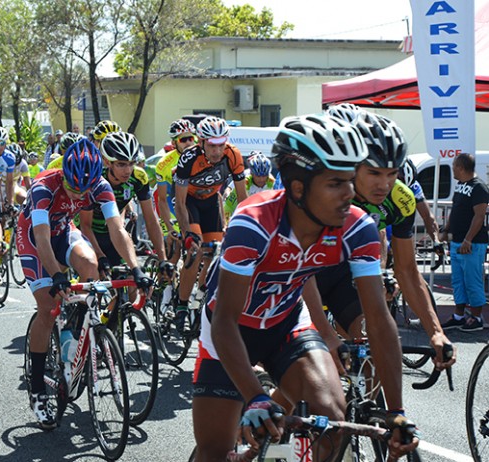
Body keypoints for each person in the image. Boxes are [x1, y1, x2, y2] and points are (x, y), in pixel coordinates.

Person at [192, 114, 418, 461]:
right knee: (214, 452)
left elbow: (378, 318)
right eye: (335, 184)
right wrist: (256, 397)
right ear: (298, 188)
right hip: (229, 330)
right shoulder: (253, 223)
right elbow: (225, 320)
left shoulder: (356, 228)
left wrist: (397, 412)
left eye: (349, 181)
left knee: (331, 418)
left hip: (286, 323)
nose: (350, 194)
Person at [16, 138, 152, 429]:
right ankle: (38, 386)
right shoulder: (44, 187)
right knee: (48, 306)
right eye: (73, 187)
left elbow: (117, 230)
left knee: (91, 267)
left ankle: (73, 330)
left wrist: (135, 268)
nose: (78, 192)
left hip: (64, 230)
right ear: (63, 173)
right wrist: (57, 275)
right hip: (33, 238)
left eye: (84, 188)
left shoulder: (100, 187)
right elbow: (41, 239)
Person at [322, 109, 455, 368]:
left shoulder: (401, 199)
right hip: (309, 268)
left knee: (368, 347)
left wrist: (436, 331)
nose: (384, 184)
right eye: (374, 173)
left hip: (352, 263)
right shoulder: (329, 194)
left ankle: (371, 406)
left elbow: (407, 270)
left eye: (391, 173)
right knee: (307, 370)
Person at [174, 116, 247, 330]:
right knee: (195, 252)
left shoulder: (233, 155)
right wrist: (187, 233)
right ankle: (181, 304)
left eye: (221, 145)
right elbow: (178, 202)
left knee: (216, 255)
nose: (217, 151)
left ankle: (202, 294)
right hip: (190, 203)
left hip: (212, 203)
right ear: (201, 142)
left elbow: (243, 200)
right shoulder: (188, 159)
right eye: (212, 145)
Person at [79, 131, 170, 277]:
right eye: (121, 164)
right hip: (88, 234)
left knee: (132, 279)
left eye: (131, 163)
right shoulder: (94, 179)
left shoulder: (139, 177)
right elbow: (85, 226)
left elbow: (151, 219)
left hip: (115, 234)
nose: (128, 170)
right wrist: (100, 255)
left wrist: (162, 258)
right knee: (94, 280)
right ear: (107, 162)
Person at [440, 153, 489, 331]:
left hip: (472, 244)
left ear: (461, 167)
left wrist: (468, 240)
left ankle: (476, 317)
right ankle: (459, 315)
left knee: (472, 281)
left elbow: (480, 215)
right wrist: (446, 230)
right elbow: (455, 210)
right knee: (458, 281)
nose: (452, 169)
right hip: (457, 242)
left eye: (454, 166)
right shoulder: (461, 185)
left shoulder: (479, 188)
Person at [155, 119, 197, 253]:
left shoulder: (202, 156)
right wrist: (169, 227)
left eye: (191, 138)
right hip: (172, 206)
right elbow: (161, 199)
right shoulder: (163, 164)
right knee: (175, 252)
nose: (189, 142)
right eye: (183, 140)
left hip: (194, 205)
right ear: (174, 143)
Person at [223, 151, 276, 219]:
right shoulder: (245, 180)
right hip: (237, 209)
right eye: (258, 176)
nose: (261, 179)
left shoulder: (272, 181)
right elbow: (231, 205)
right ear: (252, 173)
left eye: (264, 176)